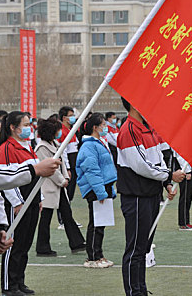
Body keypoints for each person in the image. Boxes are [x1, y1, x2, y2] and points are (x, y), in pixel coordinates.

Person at [117, 97, 184, 296]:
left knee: (143, 247)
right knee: (135, 248)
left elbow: (159, 159)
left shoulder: (148, 128)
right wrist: (169, 175)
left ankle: (141, 289)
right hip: (136, 197)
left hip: (151, 195)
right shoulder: (129, 130)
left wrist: (167, 183)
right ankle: (133, 291)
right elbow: (142, 165)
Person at [0, 111, 42, 296]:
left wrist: (39, 200)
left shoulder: (28, 146)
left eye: (29, 124)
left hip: (32, 202)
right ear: (13, 128)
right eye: (25, 125)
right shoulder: (7, 149)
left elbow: (37, 176)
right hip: (17, 204)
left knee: (25, 244)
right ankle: (9, 285)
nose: (29, 128)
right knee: (13, 245)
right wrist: (17, 203)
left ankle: (20, 281)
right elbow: (6, 180)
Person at [35, 118, 86, 257]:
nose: (59, 132)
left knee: (67, 213)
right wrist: (62, 180)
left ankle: (77, 242)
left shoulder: (55, 143)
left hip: (59, 185)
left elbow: (61, 163)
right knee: (46, 217)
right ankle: (42, 247)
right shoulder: (41, 148)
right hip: (49, 186)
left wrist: (66, 177)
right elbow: (50, 168)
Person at [76, 113, 117, 268]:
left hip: (103, 186)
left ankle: (99, 254)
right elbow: (91, 170)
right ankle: (92, 257)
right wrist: (100, 191)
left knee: (101, 223)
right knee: (96, 223)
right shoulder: (89, 146)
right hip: (96, 188)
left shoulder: (98, 143)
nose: (105, 127)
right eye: (103, 125)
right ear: (95, 127)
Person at [58, 106, 79, 204]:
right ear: (64, 118)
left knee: (71, 192)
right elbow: (63, 152)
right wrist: (67, 168)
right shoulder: (62, 131)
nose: (73, 118)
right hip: (69, 164)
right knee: (67, 192)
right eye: (70, 116)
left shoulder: (70, 130)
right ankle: (63, 217)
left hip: (74, 164)